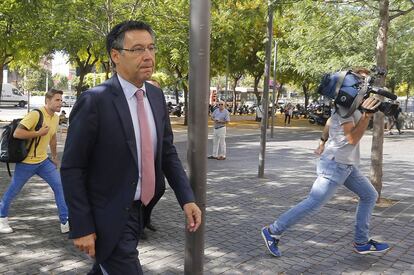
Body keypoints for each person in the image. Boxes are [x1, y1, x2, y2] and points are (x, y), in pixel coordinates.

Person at [60, 20, 202, 275]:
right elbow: (72, 167)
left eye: (151, 48)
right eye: (137, 49)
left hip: (142, 210)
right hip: (108, 213)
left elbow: (167, 152)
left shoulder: (156, 97)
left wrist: (186, 198)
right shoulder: (94, 101)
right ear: (116, 56)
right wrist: (81, 225)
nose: (148, 56)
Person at [261, 96, 389, 257]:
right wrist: (366, 115)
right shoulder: (345, 107)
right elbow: (352, 138)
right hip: (335, 165)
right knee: (313, 202)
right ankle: (273, 231)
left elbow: (329, 121)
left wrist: (322, 141)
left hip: (346, 165)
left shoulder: (351, 107)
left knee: (369, 195)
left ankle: (361, 242)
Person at [0, 89, 69, 234]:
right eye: (57, 100)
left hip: (44, 162)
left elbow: (52, 138)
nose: (60, 103)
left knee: (60, 187)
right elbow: (17, 133)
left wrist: (55, 157)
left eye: (61, 100)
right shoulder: (35, 114)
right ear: (47, 101)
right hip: (26, 163)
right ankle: (2, 218)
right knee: (14, 190)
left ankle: (65, 221)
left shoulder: (56, 118)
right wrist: (37, 133)